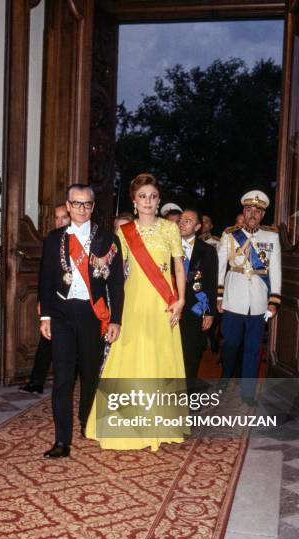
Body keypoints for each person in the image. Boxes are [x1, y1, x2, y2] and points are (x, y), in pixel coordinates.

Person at [86, 173, 186, 451]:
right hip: (134, 303)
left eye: (152, 196)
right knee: (130, 358)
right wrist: (100, 264)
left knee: (159, 358)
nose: (147, 201)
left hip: (164, 303)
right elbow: (117, 271)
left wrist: (181, 300)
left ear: (159, 200)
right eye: (142, 196)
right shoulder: (124, 232)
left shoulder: (170, 229)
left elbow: (179, 267)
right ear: (134, 200)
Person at [39, 184, 124, 458]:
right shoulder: (54, 239)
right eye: (76, 204)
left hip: (92, 314)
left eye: (87, 204)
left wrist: (116, 320)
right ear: (68, 205)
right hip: (62, 314)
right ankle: (62, 440)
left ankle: (87, 420)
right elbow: (46, 281)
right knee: (63, 378)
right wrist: (45, 316)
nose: (81, 209)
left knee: (89, 374)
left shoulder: (108, 240)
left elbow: (116, 285)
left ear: (93, 206)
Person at [217, 190, 281, 404]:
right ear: (243, 212)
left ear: (263, 214)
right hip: (233, 299)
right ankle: (225, 376)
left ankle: (248, 392)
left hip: (259, 302)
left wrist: (274, 300)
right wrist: (218, 296)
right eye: (249, 209)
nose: (252, 213)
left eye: (257, 210)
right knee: (232, 343)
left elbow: (276, 271)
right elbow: (219, 267)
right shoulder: (229, 234)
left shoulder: (272, 237)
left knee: (254, 348)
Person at [20, 203, 71, 395]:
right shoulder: (52, 239)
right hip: (53, 300)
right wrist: (43, 300)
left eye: (63, 218)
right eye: (56, 218)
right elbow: (45, 275)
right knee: (46, 341)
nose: (59, 222)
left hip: (72, 300)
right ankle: (36, 382)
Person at [179, 208, 218, 378]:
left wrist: (209, 313)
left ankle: (187, 396)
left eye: (187, 220)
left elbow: (210, 283)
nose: (182, 223)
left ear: (197, 227)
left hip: (194, 308)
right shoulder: (166, 246)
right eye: (181, 219)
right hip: (169, 307)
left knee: (190, 353)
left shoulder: (207, 251)